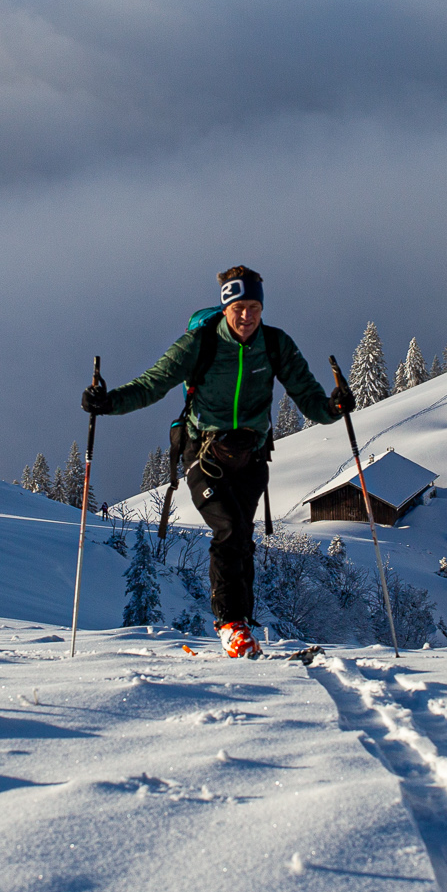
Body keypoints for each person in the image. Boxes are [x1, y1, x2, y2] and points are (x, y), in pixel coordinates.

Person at [82, 266, 350, 658]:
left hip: (253, 457)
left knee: (242, 538)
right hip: (203, 455)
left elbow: (308, 397)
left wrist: (333, 407)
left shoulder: (275, 345)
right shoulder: (200, 343)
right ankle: (230, 626)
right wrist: (108, 402)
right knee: (228, 529)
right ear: (226, 307)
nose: (247, 316)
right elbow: (153, 383)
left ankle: (242, 626)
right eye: (239, 307)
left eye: (254, 307)